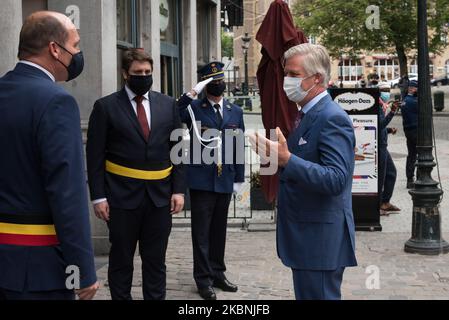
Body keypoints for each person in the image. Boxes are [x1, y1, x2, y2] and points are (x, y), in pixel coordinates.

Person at [0, 11, 98, 300]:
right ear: (55, 49)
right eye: (76, 45)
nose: (78, 53)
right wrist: (83, 269)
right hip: (39, 267)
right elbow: (67, 193)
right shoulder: (56, 102)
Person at [249, 43, 357, 300]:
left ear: (316, 78)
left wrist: (287, 160)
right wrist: (277, 158)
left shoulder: (331, 117)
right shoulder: (307, 114)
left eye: (294, 75)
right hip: (308, 236)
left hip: (319, 239)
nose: (287, 81)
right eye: (287, 74)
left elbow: (336, 179)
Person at [86, 49, 186, 300]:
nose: (143, 77)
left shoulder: (168, 105)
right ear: (124, 74)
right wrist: (98, 197)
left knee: (156, 261)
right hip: (121, 199)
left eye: (147, 72)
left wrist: (178, 190)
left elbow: (178, 152)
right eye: (137, 73)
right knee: (121, 261)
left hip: (159, 198)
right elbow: (95, 156)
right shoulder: (105, 107)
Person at [176, 62, 245, 300]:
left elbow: (238, 145)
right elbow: (175, 111)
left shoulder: (235, 111)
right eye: (212, 80)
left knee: (219, 231)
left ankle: (218, 273)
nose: (219, 84)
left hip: (224, 178)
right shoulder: (194, 108)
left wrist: (239, 177)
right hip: (201, 180)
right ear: (205, 83)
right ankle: (203, 280)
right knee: (201, 233)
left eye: (220, 79)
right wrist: (193, 92)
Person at [378, 87, 401, 215]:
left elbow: (379, 127)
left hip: (383, 144)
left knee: (391, 173)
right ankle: (378, 205)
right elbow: (379, 125)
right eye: (385, 91)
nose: (388, 94)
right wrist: (392, 112)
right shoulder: (376, 106)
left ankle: (385, 202)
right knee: (381, 176)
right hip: (380, 146)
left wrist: (388, 130)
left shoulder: (381, 105)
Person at [401, 80, 418, 189]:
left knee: (411, 154)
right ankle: (420, 177)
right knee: (420, 155)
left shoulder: (405, 100)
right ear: (412, 89)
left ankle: (410, 179)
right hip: (415, 131)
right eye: (416, 88)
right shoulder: (413, 101)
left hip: (408, 131)